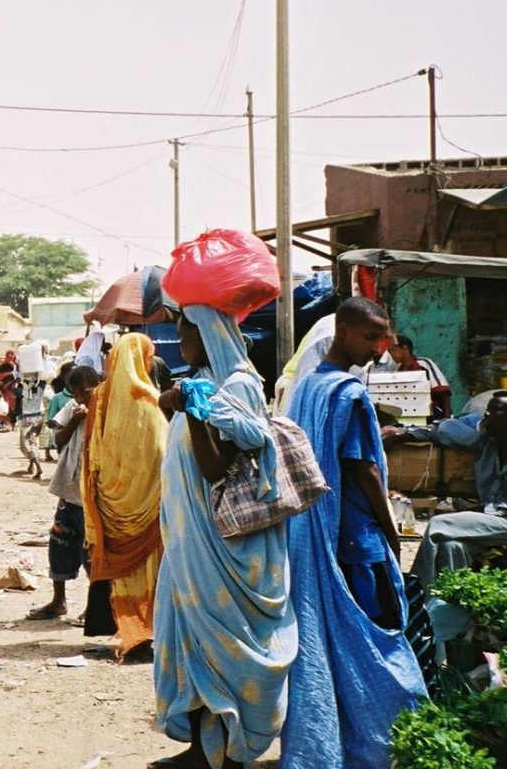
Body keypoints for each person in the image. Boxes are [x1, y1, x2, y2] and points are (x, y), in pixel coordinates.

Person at [151, 308, 297, 769]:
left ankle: (232, 753)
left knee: (226, 645)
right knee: (190, 639)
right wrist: (173, 402)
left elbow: (216, 466)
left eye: (186, 336)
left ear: (210, 333)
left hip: (226, 548)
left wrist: (192, 408)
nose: (181, 346)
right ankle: (201, 749)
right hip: (189, 543)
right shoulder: (202, 381)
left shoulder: (236, 387)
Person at [283, 297, 426, 768]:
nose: (379, 347)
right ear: (342, 331)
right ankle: (385, 740)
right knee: (377, 636)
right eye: (370, 337)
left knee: (332, 638)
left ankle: (336, 740)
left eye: (383, 337)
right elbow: (364, 469)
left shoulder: (307, 387)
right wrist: (393, 533)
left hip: (316, 534)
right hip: (358, 540)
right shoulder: (349, 392)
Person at [391, 391, 507, 588]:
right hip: (497, 519)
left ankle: (413, 591)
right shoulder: (488, 442)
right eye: (488, 409)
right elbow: (443, 431)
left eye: (495, 410)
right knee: (451, 546)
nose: (486, 415)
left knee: (438, 524)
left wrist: (486, 511)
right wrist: (403, 435)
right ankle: (449, 601)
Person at [81, 333, 167, 660]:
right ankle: (142, 631)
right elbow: (162, 452)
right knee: (147, 569)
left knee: (120, 573)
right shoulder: (148, 400)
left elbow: (91, 453)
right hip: (146, 504)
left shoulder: (100, 397)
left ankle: (123, 627)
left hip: (109, 502)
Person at [27, 365, 101, 622]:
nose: (81, 398)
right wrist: (76, 419)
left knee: (91, 552)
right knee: (59, 544)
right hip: (70, 489)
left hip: (94, 493)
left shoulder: (108, 407)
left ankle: (95, 605)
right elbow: (58, 439)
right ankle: (59, 601)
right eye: (76, 393)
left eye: (85, 393)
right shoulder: (73, 407)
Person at [386, 334, 453, 420]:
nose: (391, 354)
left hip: (432, 415)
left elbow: (443, 391)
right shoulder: (396, 370)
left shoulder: (424, 364)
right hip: (408, 416)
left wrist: (447, 418)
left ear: (404, 348)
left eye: (392, 350)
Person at [16, 363, 47, 480]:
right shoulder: (41, 385)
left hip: (28, 417)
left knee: (27, 443)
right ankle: (31, 465)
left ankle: (38, 466)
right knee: (34, 440)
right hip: (39, 415)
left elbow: (16, 393)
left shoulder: (23, 387)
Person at [42, 360, 74, 462]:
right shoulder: (58, 398)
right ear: (64, 377)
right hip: (64, 441)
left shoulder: (87, 396)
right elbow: (50, 420)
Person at [0, 350, 20, 430]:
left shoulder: (14, 365)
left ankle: (12, 424)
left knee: (12, 407)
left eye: (12, 356)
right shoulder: (4, 365)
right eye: (10, 356)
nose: (11, 357)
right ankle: (7, 424)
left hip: (11, 389)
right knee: (6, 407)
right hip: (5, 390)